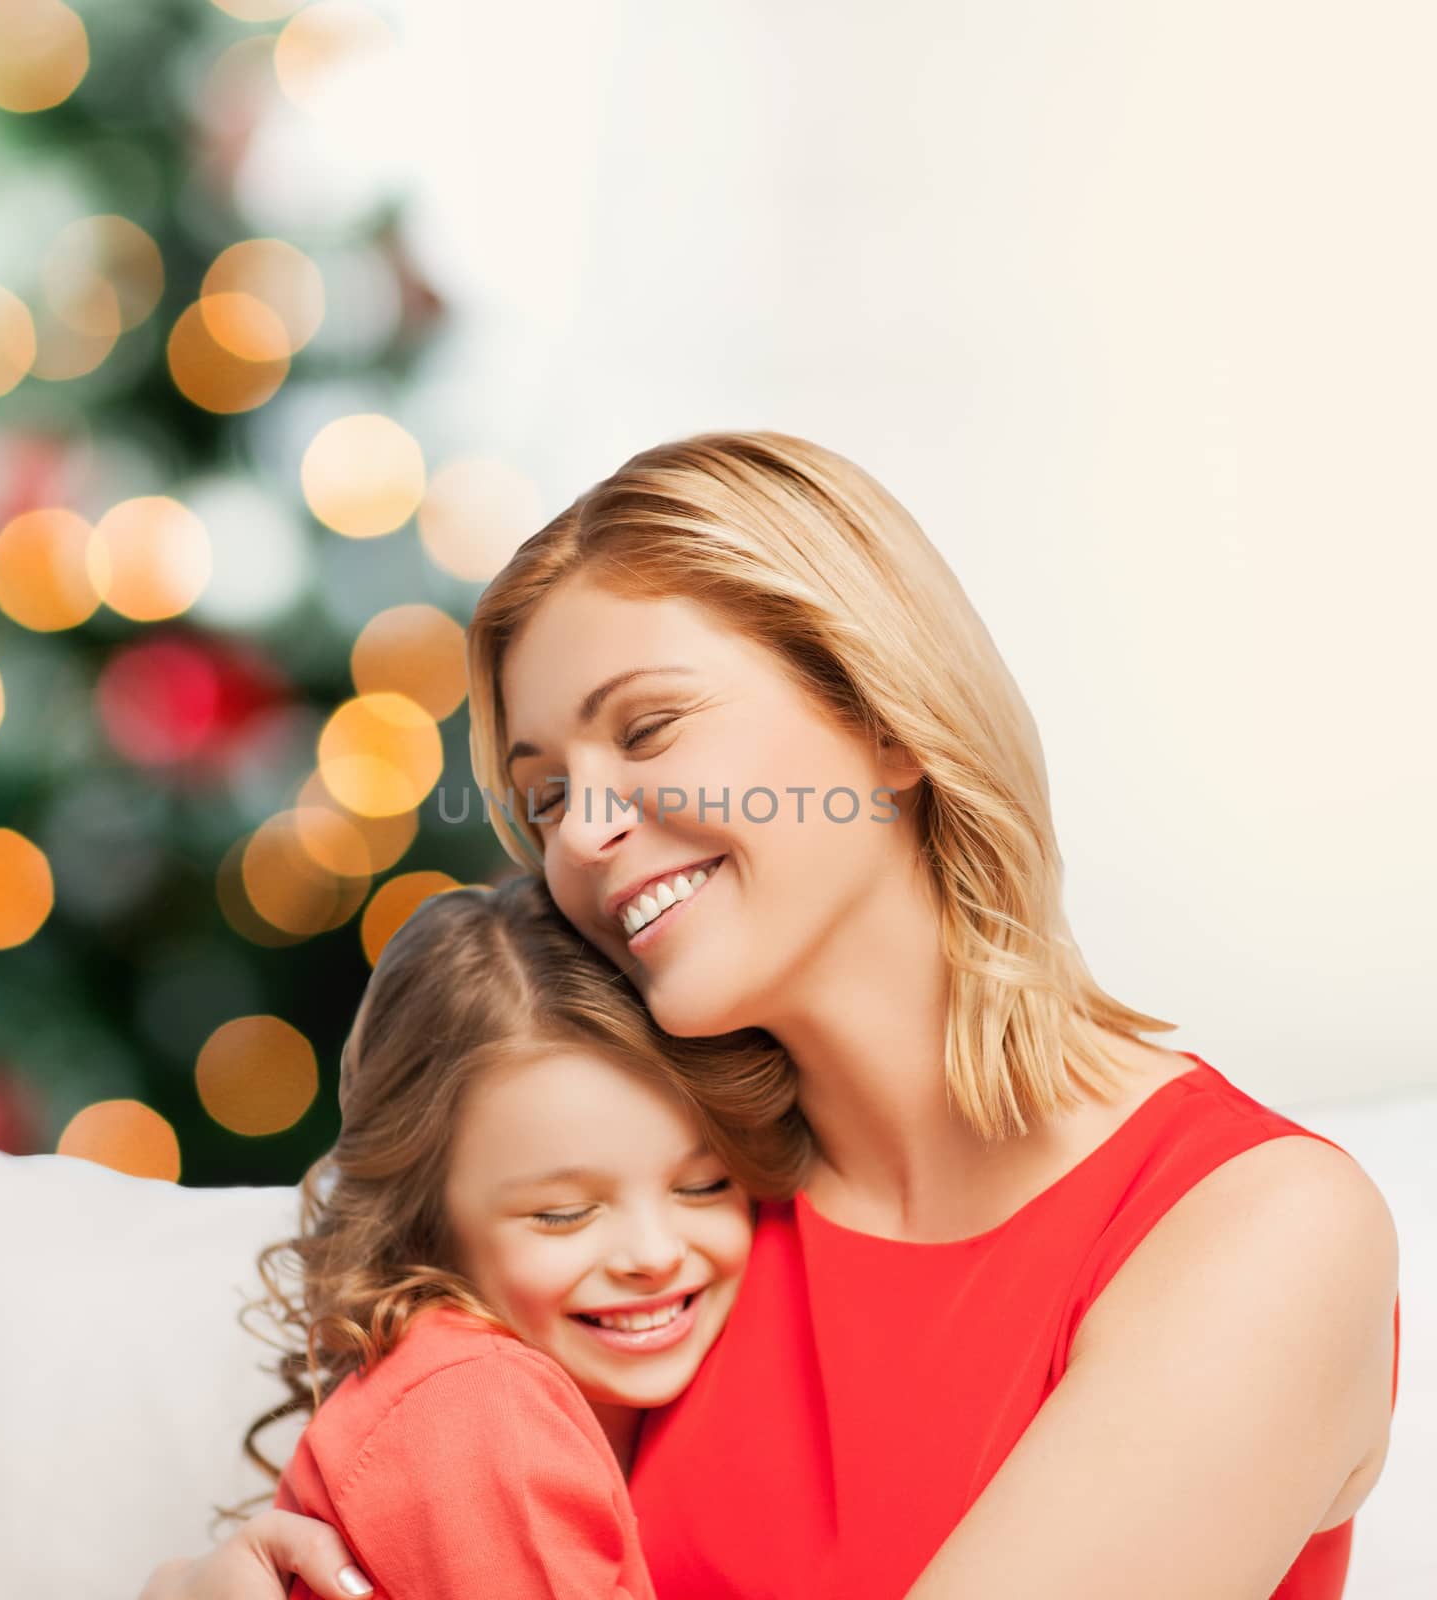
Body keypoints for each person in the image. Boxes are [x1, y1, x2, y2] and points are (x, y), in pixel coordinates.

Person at [141, 430, 1399, 1600]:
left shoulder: (1258, 1230)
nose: (581, 835)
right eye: (541, 798)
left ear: (881, 717)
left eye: (648, 728)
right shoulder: (675, 1230)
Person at [232, 873, 804, 1599]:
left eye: (704, 1186)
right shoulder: (476, 1407)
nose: (655, 1254)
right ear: (426, 1221)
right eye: (563, 1213)